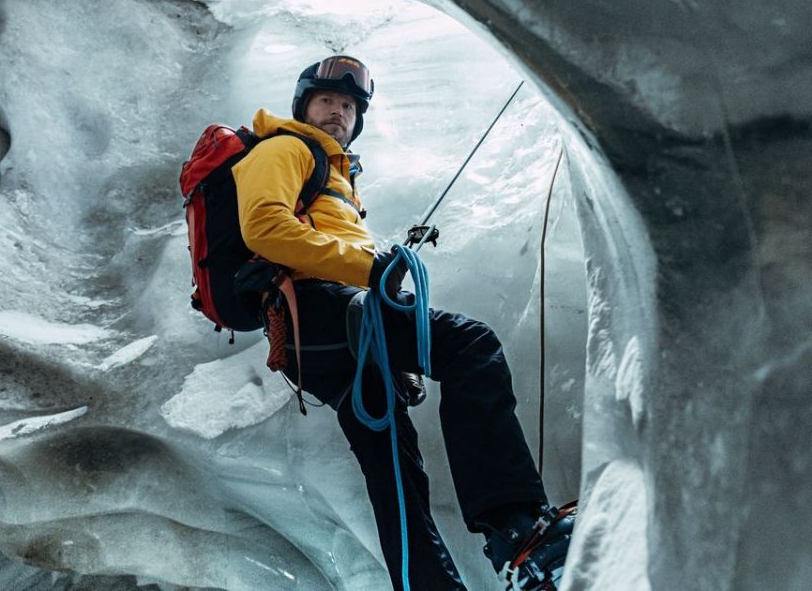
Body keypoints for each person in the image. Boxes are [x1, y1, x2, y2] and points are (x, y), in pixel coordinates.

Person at [232, 55, 573, 590]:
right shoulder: (286, 148)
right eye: (327, 100)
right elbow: (264, 227)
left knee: (394, 468)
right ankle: (518, 528)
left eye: (349, 106)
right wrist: (371, 270)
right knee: (470, 346)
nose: (338, 111)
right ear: (303, 106)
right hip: (321, 311)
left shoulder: (336, 178)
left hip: (319, 333)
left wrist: (371, 271)